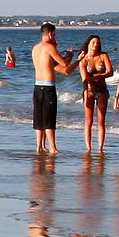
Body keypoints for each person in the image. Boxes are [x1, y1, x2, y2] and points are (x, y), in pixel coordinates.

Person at [29, 22, 72, 153]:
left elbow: (49, 63)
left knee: (39, 118)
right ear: (50, 34)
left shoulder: (35, 48)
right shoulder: (49, 48)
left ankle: (40, 146)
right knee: (49, 117)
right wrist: (70, 54)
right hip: (48, 86)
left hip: (37, 85)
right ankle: (53, 147)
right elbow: (64, 64)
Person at [74, 33, 111, 154]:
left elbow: (110, 72)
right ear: (88, 44)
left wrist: (98, 76)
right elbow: (84, 78)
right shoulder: (83, 60)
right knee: (88, 121)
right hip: (89, 90)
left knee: (101, 121)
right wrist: (86, 90)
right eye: (93, 42)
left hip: (102, 90)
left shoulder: (103, 56)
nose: (96, 45)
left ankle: (100, 147)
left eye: (98, 43)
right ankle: (88, 147)